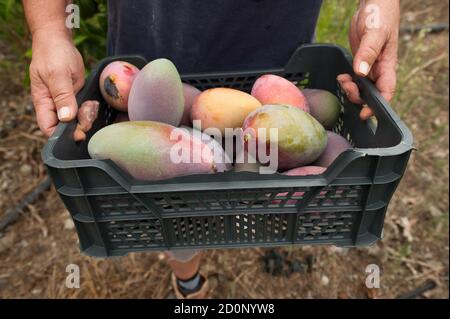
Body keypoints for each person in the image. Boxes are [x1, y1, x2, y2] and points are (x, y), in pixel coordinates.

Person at [23, 0, 400, 299]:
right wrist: (50, 29)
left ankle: (260, 230)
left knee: (242, 177)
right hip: (150, 40)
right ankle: (189, 281)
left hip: (278, 53)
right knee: (177, 216)